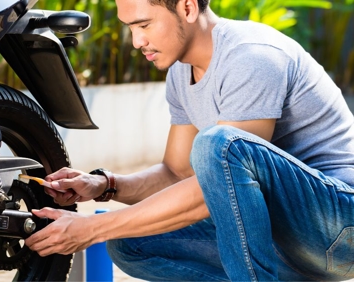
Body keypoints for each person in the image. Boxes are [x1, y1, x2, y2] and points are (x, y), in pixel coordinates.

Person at [24, 0, 354, 280]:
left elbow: (212, 178)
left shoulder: (251, 55)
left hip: (338, 225)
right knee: (130, 243)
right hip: (286, 242)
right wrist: (105, 185)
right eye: (130, 28)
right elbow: (177, 174)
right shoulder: (181, 74)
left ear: (188, 7)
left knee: (218, 144)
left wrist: (93, 228)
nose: (136, 41)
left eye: (145, 25)